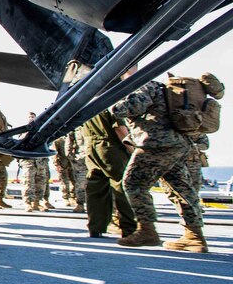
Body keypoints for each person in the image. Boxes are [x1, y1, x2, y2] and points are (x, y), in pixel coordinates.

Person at [110, 76, 207, 252]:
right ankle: (195, 236)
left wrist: (114, 106)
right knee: (181, 188)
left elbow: (132, 107)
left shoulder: (145, 86)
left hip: (156, 144)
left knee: (134, 183)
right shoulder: (164, 88)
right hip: (178, 144)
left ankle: (147, 231)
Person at [81, 110, 137, 238]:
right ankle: (129, 228)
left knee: (96, 187)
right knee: (121, 186)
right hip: (111, 147)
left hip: (90, 148)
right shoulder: (110, 102)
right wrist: (133, 150)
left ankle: (96, 227)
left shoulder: (86, 105)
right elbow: (120, 130)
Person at [22, 112, 52, 212]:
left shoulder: (42, 131)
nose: (31, 119)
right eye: (30, 117)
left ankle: (37, 203)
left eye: (33, 118)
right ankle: (28, 203)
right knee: (28, 183)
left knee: (41, 183)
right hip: (29, 162)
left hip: (40, 162)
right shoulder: (24, 131)